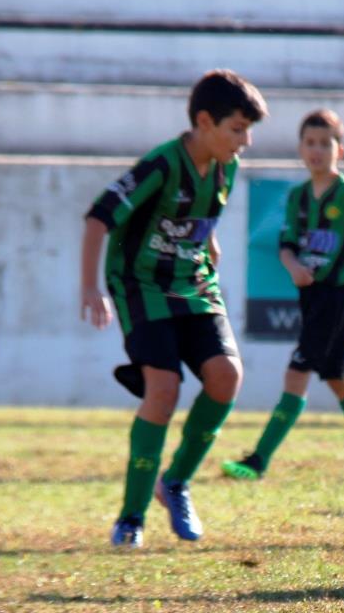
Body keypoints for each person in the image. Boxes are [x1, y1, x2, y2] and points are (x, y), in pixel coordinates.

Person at [81, 69, 268, 548]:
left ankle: (176, 482)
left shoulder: (227, 166)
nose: (244, 141)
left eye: (248, 131)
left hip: (195, 285)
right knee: (163, 390)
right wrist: (90, 288)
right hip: (141, 286)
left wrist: (211, 241)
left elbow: (197, 215)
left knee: (227, 375)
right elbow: (99, 217)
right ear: (204, 121)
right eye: (237, 129)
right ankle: (130, 519)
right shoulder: (161, 165)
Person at [220, 109, 344, 482]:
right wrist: (292, 266)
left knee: (297, 372)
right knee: (339, 378)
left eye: (325, 143)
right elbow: (286, 246)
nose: (317, 150)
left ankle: (257, 461)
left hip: (335, 298)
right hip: (311, 299)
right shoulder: (298, 198)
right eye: (310, 143)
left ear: (340, 149)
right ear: (301, 148)